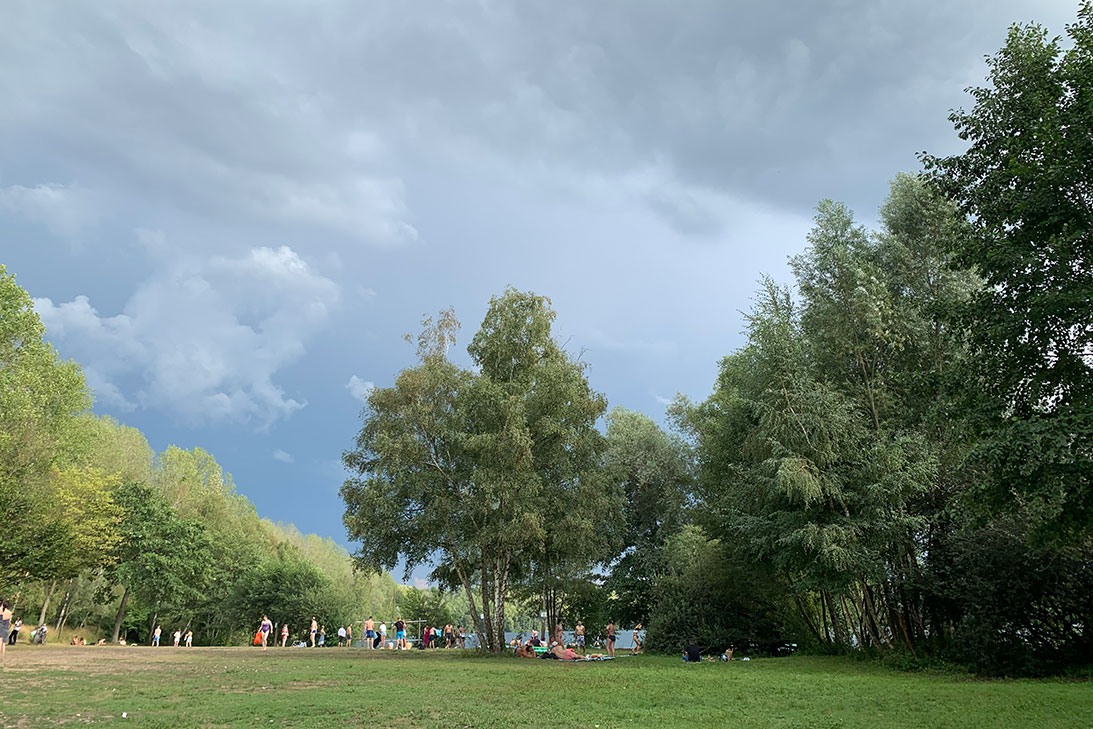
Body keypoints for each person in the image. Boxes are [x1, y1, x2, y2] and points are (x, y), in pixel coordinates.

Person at [0, 599, 12, 665]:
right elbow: (9, 622)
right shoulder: (10, 612)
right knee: (4, 643)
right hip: (6, 628)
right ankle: (3, 656)